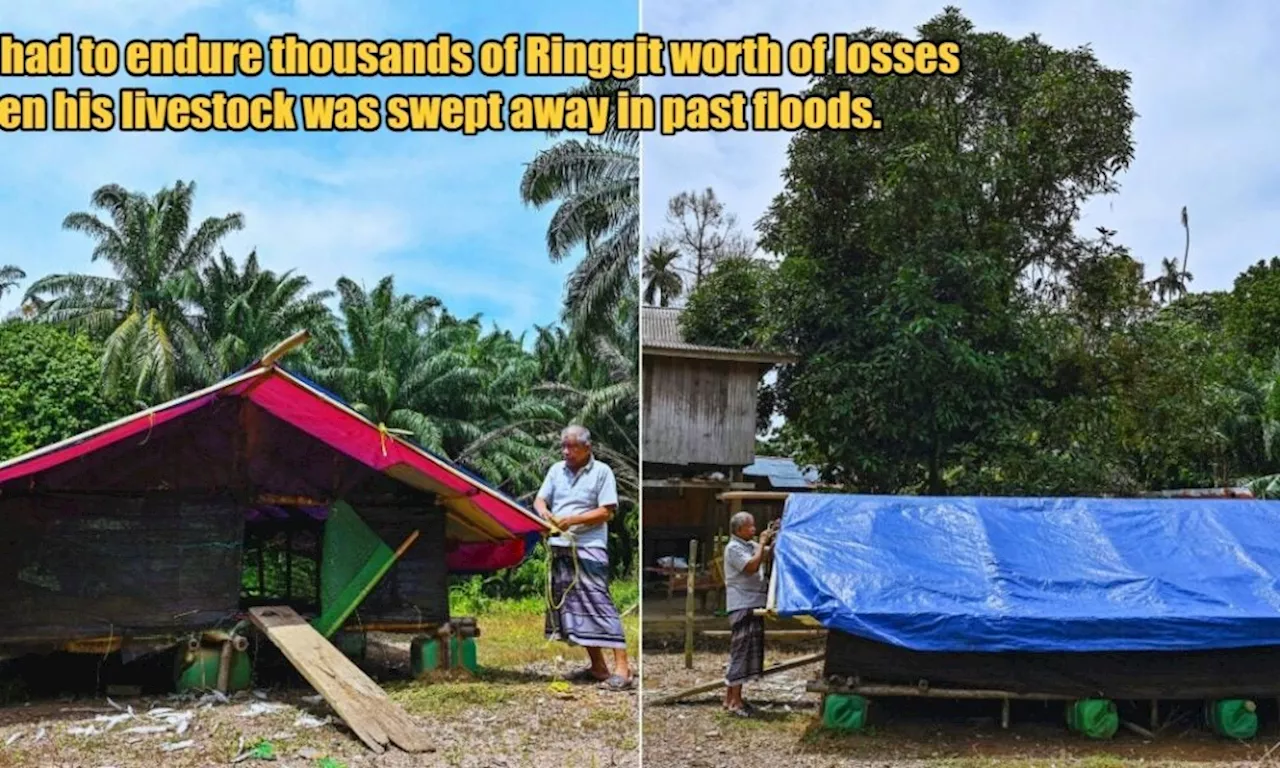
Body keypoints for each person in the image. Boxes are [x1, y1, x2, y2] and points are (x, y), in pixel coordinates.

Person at [534, 425, 633, 691]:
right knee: (573, 608)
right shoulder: (556, 470)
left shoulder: (602, 472)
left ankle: (623, 669)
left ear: (587, 448)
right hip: (560, 546)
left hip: (589, 545)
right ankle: (598, 666)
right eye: (563, 446)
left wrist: (573, 520)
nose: (566, 451)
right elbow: (540, 500)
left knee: (599, 603)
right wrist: (545, 514)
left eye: (572, 446)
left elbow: (606, 511)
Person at [722, 510, 776, 716]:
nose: (754, 529)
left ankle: (732, 699)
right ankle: (735, 702)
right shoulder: (733, 548)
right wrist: (762, 543)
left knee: (744, 652)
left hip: (753, 603)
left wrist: (773, 537)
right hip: (742, 604)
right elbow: (752, 566)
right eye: (750, 526)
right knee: (741, 653)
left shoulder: (748, 545)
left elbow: (768, 553)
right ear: (739, 529)